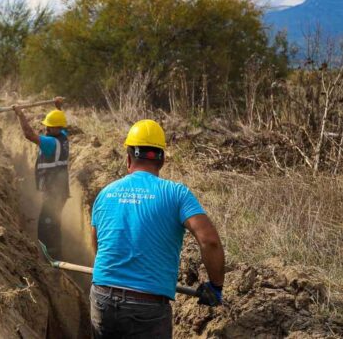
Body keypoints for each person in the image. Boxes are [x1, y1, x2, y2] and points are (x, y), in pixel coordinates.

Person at [90, 119, 225, 338]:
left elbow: (98, 245)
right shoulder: (176, 194)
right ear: (161, 159)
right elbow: (209, 241)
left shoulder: (105, 193)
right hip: (147, 307)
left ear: (128, 158)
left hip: (102, 297)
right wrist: (216, 286)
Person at [12, 97, 69, 259]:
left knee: (46, 230)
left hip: (54, 193)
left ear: (56, 128)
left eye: (49, 127)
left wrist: (20, 115)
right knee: (54, 225)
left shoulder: (50, 143)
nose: (46, 129)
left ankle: (51, 261)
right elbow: (60, 123)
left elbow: (29, 134)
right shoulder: (63, 136)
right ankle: (56, 258)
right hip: (60, 192)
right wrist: (58, 108)